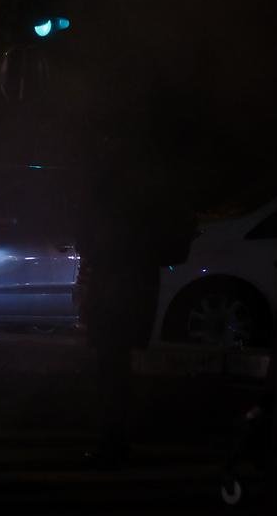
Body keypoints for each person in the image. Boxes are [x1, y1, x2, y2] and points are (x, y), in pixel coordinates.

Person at [78, 133, 195, 468]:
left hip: (114, 286)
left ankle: (112, 441)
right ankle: (116, 439)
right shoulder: (151, 194)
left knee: (111, 367)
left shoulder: (111, 194)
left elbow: (87, 238)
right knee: (117, 366)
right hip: (135, 287)